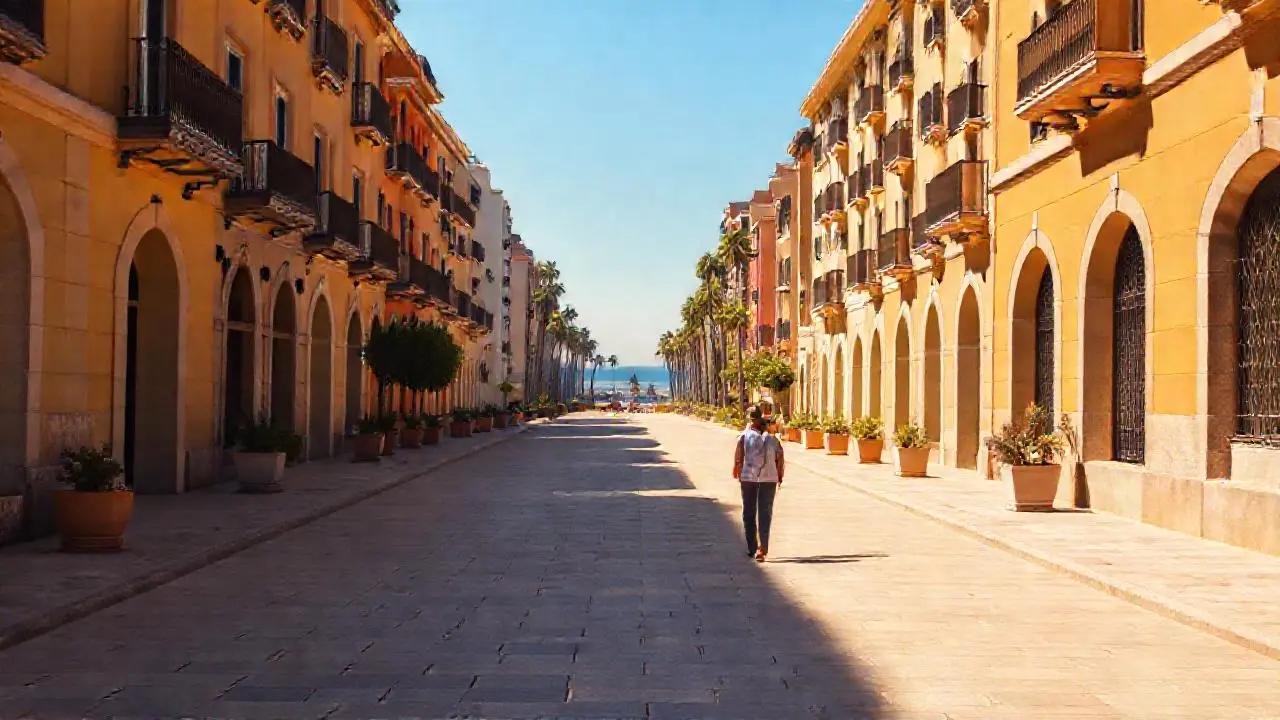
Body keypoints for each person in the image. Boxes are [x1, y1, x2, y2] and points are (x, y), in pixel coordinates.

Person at [732, 405, 785, 562]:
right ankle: (761, 548)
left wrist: (737, 470)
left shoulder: (744, 437)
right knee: (764, 513)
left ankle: (753, 547)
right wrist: (779, 476)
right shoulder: (773, 439)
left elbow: (738, 458)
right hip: (768, 479)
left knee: (749, 513)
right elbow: (780, 459)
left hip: (750, 478)